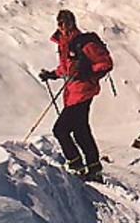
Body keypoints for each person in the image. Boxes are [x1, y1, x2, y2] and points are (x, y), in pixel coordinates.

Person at [39, 9, 113, 181]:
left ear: (73, 23)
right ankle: (93, 169)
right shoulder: (64, 43)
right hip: (73, 91)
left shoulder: (83, 43)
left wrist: (87, 72)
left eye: (66, 22)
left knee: (60, 130)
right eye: (60, 23)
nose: (63, 26)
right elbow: (68, 68)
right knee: (81, 131)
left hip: (83, 91)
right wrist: (52, 74)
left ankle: (76, 166)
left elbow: (106, 63)